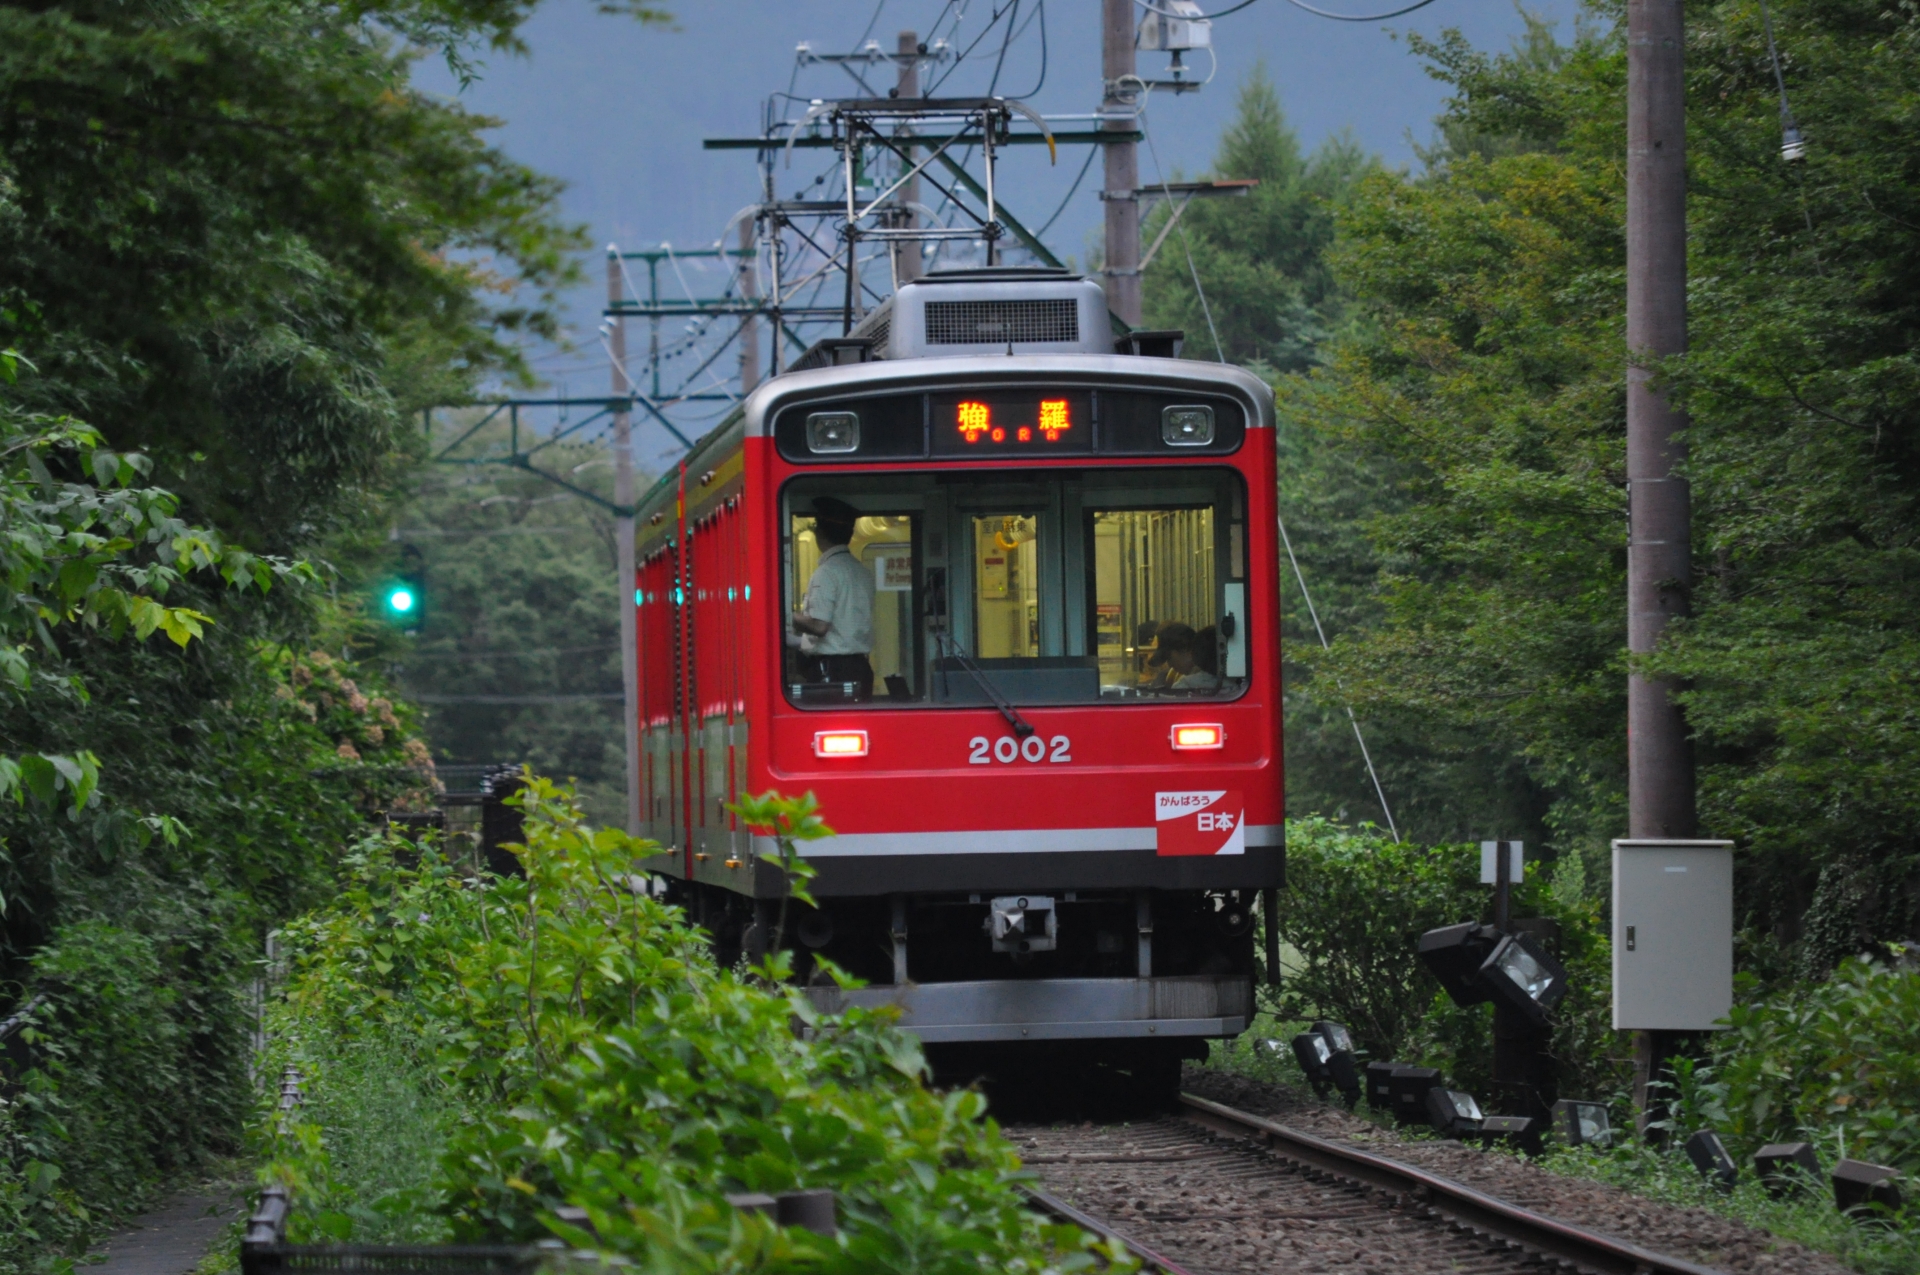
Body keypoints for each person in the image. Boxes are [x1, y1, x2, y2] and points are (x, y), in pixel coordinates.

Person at [791, 496, 875, 699]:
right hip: (861, 668)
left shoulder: (826, 573)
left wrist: (785, 615)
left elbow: (819, 626)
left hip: (833, 671)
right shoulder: (862, 572)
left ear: (820, 533)